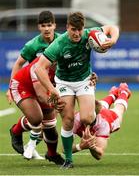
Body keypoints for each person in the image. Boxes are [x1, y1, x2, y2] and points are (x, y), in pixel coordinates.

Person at [33, 11, 119, 168]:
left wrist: (112, 40)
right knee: (68, 119)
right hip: (64, 83)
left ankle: (96, 107)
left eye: (79, 29)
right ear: (67, 28)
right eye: (73, 29)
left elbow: (112, 28)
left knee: (87, 118)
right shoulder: (59, 44)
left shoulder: (89, 35)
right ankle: (69, 160)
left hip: (84, 80)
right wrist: (52, 89)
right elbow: (39, 68)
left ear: (83, 28)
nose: (77, 33)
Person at [8, 10, 65, 164]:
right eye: (43, 25)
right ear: (39, 27)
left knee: (50, 125)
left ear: (54, 25)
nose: (46, 29)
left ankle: (51, 154)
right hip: (30, 83)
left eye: (49, 25)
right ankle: (16, 131)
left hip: (46, 83)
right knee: (37, 118)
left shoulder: (62, 41)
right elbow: (19, 64)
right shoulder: (33, 47)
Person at [72, 83, 131, 160]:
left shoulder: (103, 124)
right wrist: (80, 146)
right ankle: (113, 94)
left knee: (119, 108)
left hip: (109, 117)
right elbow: (64, 149)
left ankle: (124, 91)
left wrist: (91, 146)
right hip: (98, 112)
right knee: (101, 105)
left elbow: (99, 155)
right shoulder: (74, 120)